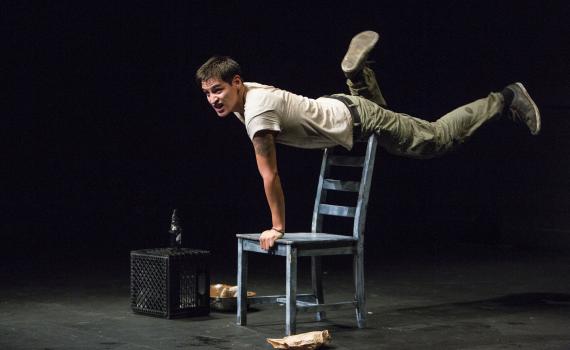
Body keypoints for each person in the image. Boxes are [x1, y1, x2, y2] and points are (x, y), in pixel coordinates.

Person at [195, 30, 541, 251]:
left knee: (435, 138)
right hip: (338, 107)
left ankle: (506, 98)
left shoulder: (256, 114)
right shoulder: (249, 93)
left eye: (218, 90)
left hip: (357, 119)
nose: (213, 99)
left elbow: (269, 175)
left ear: (237, 82)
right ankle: (357, 77)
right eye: (207, 93)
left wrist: (277, 227)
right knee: (390, 118)